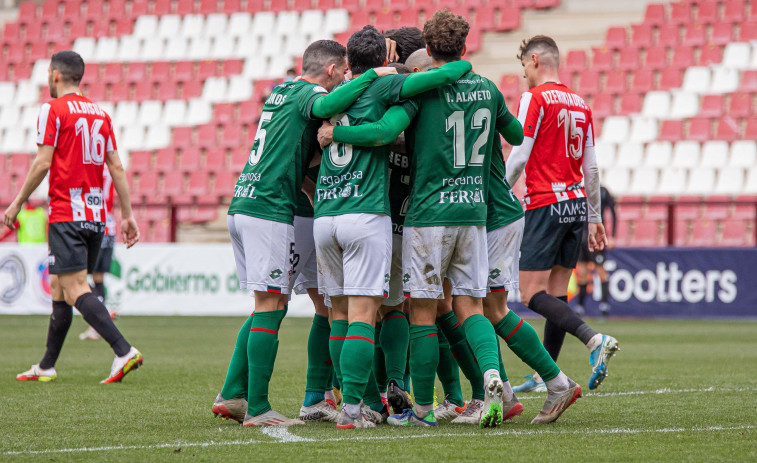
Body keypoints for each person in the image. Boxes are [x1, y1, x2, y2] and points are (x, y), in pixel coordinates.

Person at [320, 10, 524, 428]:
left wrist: (336, 133)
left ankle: (424, 409)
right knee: (472, 305)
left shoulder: (416, 94)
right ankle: (491, 380)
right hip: (473, 212)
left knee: (422, 312)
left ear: (428, 51)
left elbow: (385, 129)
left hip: (425, 212)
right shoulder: (485, 87)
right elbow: (517, 136)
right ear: (464, 47)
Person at [211, 39, 397, 427]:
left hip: (249, 202)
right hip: (271, 209)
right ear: (331, 71)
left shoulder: (281, 90)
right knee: (270, 306)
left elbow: (299, 149)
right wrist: (375, 76)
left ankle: (239, 393)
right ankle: (257, 407)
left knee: (281, 304)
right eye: (343, 74)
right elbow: (327, 106)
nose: (345, 80)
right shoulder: (310, 93)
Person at [5, 50, 142, 384]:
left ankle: (123, 350)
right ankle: (47, 365)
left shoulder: (52, 109)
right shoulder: (100, 114)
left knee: (76, 287)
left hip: (68, 213)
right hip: (97, 218)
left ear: (54, 75)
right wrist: (127, 215)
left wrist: (17, 202)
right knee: (59, 286)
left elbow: (42, 162)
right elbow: (117, 167)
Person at [505, 36, 619, 393]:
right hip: (574, 206)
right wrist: (595, 217)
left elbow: (520, 155)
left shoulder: (534, 98)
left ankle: (592, 338)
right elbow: (592, 168)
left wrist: (500, 190)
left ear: (535, 60)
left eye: (524, 65)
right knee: (556, 293)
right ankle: (547, 375)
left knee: (529, 294)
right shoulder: (580, 103)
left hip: (545, 203)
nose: (523, 74)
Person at [79, 165, 118, 340]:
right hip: (110, 226)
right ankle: (98, 323)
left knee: (84, 278)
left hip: (96, 225)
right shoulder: (109, 170)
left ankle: (100, 319)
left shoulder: (91, 168)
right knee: (98, 278)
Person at [575, 185, 617, 317]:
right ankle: (580, 306)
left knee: (601, 271)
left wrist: (613, 235)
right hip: (581, 236)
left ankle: (604, 305)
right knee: (582, 273)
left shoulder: (603, 191)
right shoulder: (579, 189)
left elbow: (613, 213)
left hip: (596, 236)